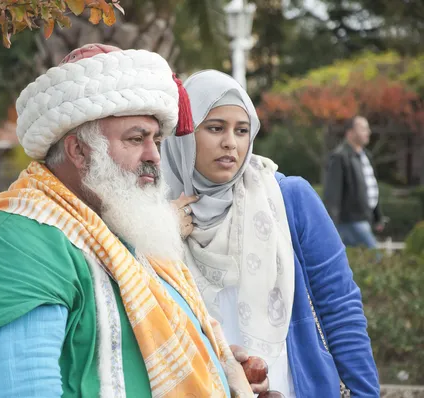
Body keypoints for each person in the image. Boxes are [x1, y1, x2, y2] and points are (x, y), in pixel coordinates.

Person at [0, 44, 257, 397]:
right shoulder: (16, 242)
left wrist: (213, 361)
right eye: (136, 139)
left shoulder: (122, 227)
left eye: (156, 140)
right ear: (78, 151)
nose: (154, 156)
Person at [161, 70, 380, 397]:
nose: (230, 143)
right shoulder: (156, 216)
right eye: (215, 128)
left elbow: (341, 307)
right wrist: (162, 235)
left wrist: (366, 393)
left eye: (242, 130)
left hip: (291, 386)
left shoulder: (289, 199)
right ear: (183, 135)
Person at [323, 116, 384, 249]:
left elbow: (371, 186)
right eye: (363, 129)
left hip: (365, 219)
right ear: (350, 132)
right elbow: (332, 194)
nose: (368, 132)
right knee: (378, 258)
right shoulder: (340, 157)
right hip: (350, 221)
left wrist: (378, 217)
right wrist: (330, 225)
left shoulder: (366, 156)